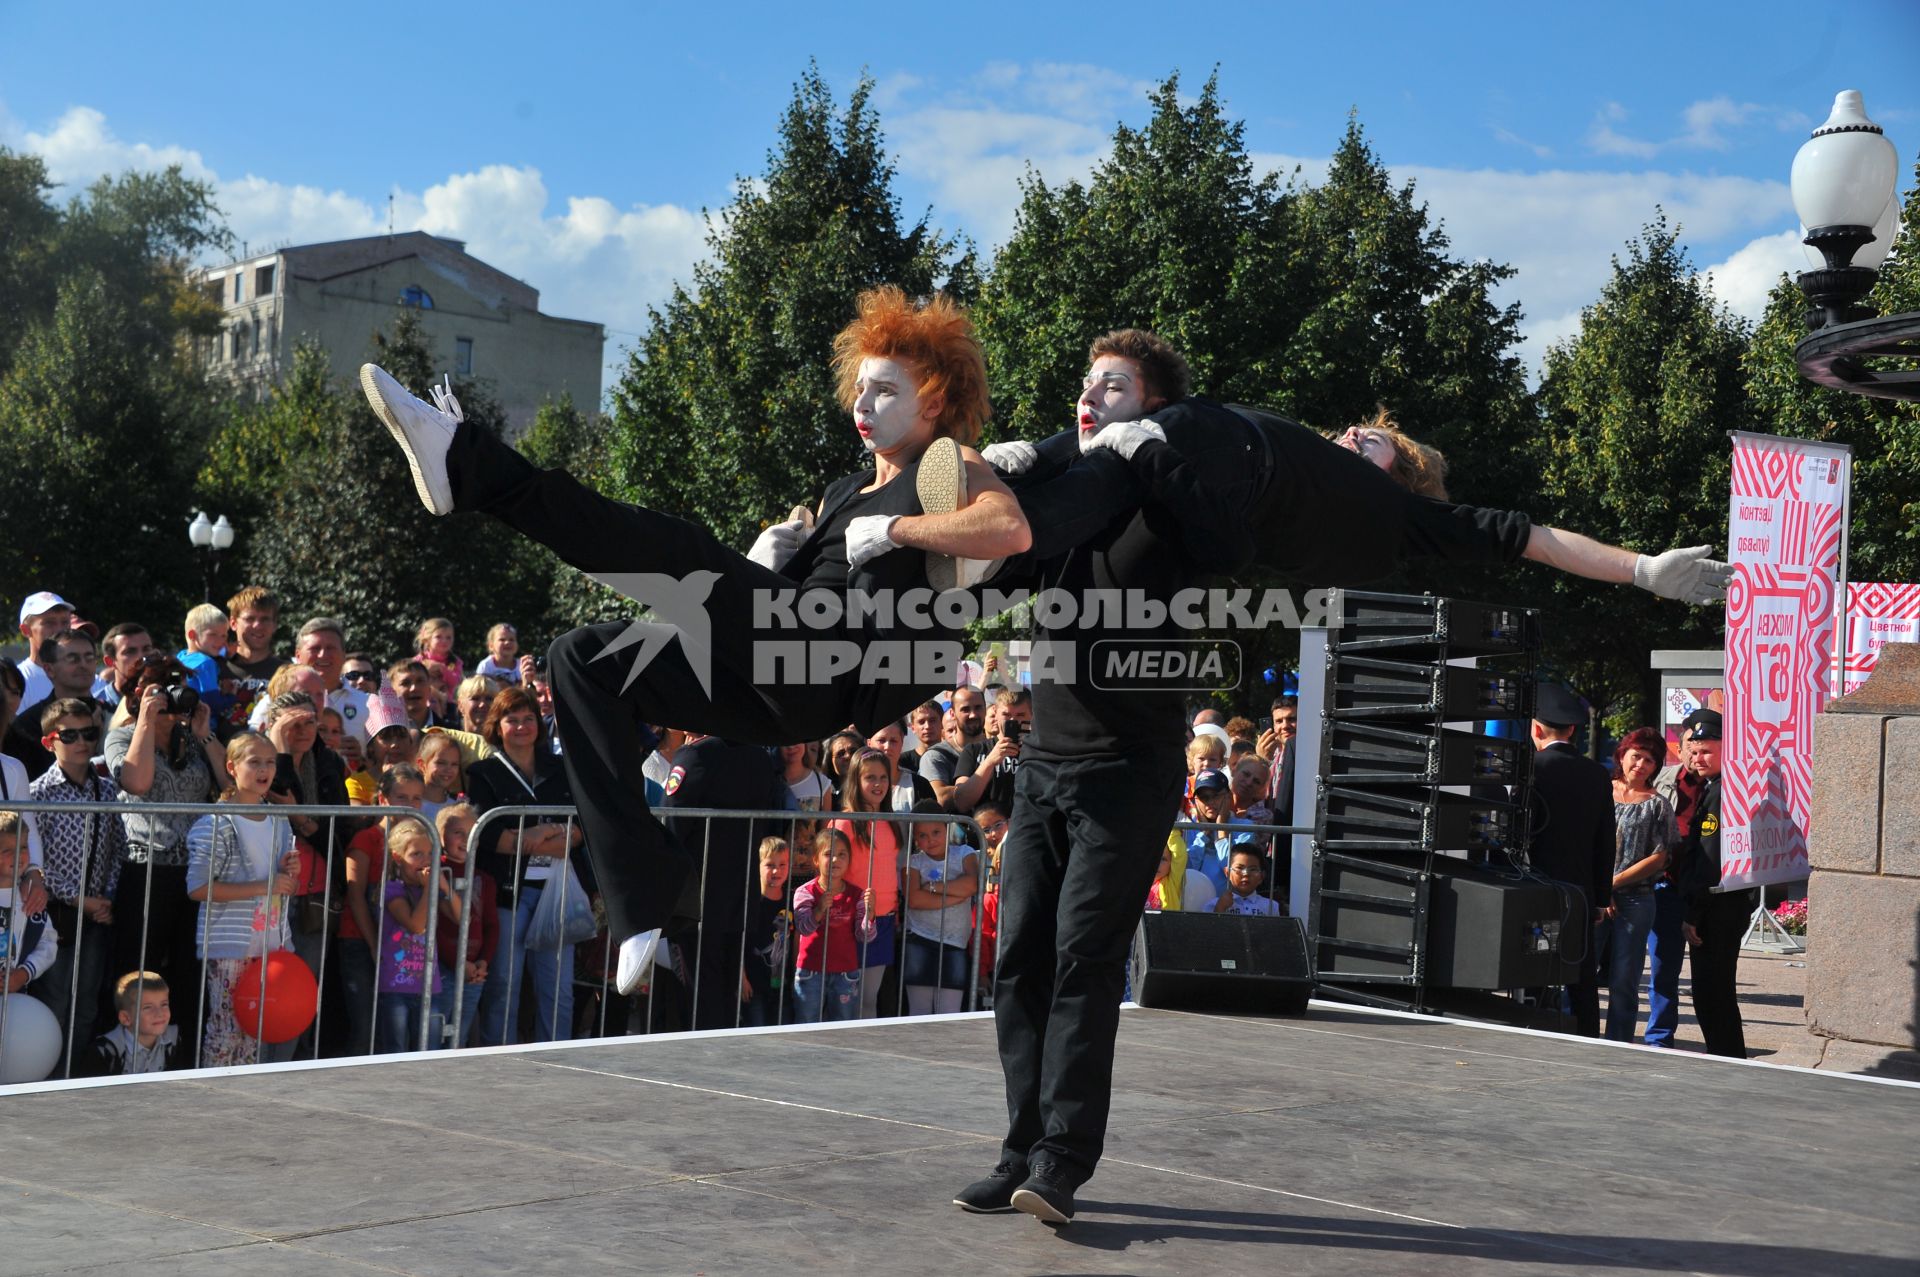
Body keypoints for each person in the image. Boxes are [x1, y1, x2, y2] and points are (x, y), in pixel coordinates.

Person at [359, 285, 1031, 1002]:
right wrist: (770, 561)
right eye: (860, 386)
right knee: (582, 659)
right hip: (771, 677)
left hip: (831, 663)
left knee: (677, 549)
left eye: (886, 389)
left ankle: (468, 462)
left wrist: (898, 531)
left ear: (932, 401)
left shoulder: (948, 467)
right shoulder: (843, 491)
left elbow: (1009, 530)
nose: (863, 403)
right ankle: (648, 894)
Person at [982, 328, 1732, 607]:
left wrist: (1641, 570)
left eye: (1372, 441)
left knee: (1142, 433)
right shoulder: (1305, 447)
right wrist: (1043, 451)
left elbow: (1533, 538)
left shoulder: (1406, 515)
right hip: (1192, 486)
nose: (1351, 433)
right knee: (1105, 481)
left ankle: (998, 522)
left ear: (1399, 475)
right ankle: (1003, 496)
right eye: (1356, 429)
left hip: (1225, 470)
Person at [105, 653, 226, 1051]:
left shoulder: (191, 740)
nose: (174, 699)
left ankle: (184, 1054)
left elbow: (230, 788)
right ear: (139, 692)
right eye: (163, 687)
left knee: (190, 974)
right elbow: (136, 782)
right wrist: (144, 718)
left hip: (194, 872)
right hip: (146, 870)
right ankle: (128, 1057)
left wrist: (205, 733)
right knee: (138, 971)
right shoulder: (122, 736)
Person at [466, 687, 587, 1045]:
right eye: (511, 719)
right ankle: (498, 1057)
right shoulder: (483, 772)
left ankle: (560, 1058)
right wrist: (540, 837)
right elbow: (488, 834)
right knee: (505, 983)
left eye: (528, 719)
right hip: (508, 895)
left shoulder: (563, 769)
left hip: (556, 891)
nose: (521, 726)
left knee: (558, 987)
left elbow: (579, 831)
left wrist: (542, 834)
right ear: (497, 726)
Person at [184, 731, 301, 1068]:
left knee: (254, 1031)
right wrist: (265, 885)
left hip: (271, 943)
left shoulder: (279, 821)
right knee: (225, 1031)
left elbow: (280, 883)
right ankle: (214, 1094)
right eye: (255, 762)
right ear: (232, 767)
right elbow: (198, 888)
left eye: (269, 762)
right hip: (231, 945)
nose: (264, 770)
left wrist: (288, 871)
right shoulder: (216, 823)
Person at [657, 733, 789, 1031]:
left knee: (697, 995)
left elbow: (670, 827)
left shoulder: (694, 757)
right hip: (741, 896)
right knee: (728, 994)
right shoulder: (758, 757)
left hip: (698, 899)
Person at [27, 697, 125, 1056]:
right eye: (70, 735)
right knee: (54, 998)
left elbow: (118, 849)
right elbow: (35, 862)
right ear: (48, 741)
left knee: (86, 1002)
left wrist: (105, 900)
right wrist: (76, 898)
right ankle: (48, 1071)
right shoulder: (38, 794)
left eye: (89, 733)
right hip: (55, 915)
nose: (82, 742)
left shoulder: (108, 791)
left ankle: (77, 1070)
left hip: (97, 916)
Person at [1526, 684, 1616, 1038]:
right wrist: (1601, 898)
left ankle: (1535, 1026)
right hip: (1580, 892)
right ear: (1574, 729)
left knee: (1535, 963)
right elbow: (1605, 840)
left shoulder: (1530, 769)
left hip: (1534, 887)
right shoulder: (1596, 774)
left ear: (1536, 729)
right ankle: (1588, 1036)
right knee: (1581, 973)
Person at [1667, 708, 1752, 1058]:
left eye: (1707, 751)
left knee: (1711, 993)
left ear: (1725, 750)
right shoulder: (1721, 786)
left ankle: (1727, 1059)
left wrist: (1693, 914)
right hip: (1727, 904)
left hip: (1715, 908)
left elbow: (1708, 859)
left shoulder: (1719, 792)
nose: (1698, 758)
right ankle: (1728, 1056)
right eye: (1695, 750)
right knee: (1716, 992)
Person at [338, 766, 429, 1055]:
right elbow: (356, 897)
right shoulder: (366, 839)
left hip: (400, 946)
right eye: (402, 797)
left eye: (416, 798)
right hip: (360, 940)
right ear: (383, 799)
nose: (410, 805)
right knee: (366, 1025)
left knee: (394, 1029)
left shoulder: (421, 841)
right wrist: (375, 946)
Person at [1606, 727, 1675, 1044]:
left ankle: (1618, 1042)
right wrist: (1600, 888)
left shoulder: (1657, 804)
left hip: (1636, 900)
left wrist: (1615, 882)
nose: (1642, 765)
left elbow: (1661, 857)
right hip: (1595, 897)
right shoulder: (1600, 792)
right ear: (1622, 755)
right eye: (1637, 756)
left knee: (1625, 977)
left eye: (1650, 760)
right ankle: (1578, 1035)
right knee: (1581, 970)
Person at [832, 748, 907, 1019]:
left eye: (883, 777)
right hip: (850, 920)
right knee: (846, 1000)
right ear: (855, 780)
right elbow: (832, 871)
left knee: (868, 1000)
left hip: (884, 920)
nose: (878, 784)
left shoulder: (891, 820)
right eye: (870, 778)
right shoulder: (845, 822)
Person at [375, 819, 456, 1053]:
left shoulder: (426, 889)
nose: (425, 860)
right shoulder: (392, 889)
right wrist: (430, 889)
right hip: (396, 985)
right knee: (396, 1049)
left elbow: (462, 917)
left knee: (427, 1048)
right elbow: (416, 925)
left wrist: (443, 887)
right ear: (398, 858)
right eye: (417, 854)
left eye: (430, 853)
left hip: (429, 984)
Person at [790, 827, 874, 1024]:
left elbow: (865, 937)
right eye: (829, 854)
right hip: (810, 972)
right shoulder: (805, 891)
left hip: (846, 974)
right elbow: (803, 928)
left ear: (849, 860)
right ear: (816, 860)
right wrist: (818, 910)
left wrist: (870, 916)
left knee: (843, 1027)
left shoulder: (857, 894)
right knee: (806, 1024)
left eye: (842, 854)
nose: (835, 860)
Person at [903, 799, 978, 1015]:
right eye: (923, 835)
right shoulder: (913, 861)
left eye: (936, 832)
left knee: (950, 1011)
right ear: (915, 839)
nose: (930, 840)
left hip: (955, 942)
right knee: (919, 1011)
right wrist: (955, 896)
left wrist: (935, 887)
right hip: (920, 939)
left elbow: (972, 884)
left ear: (947, 828)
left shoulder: (965, 852)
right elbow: (915, 899)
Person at [434, 802, 494, 1048]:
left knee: (459, 1034)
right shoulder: (436, 874)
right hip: (443, 970)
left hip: (473, 973)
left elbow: (492, 925)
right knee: (435, 1033)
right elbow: (434, 928)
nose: (466, 839)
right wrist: (458, 964)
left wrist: (483, 963)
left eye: (473, 834)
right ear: (440, 836)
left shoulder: (485, 879)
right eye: (458, 832)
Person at [74, 971, 187, 1076]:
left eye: (164, 1004)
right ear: (125, 1018)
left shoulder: (174, 1040)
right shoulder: (105, 1052)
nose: (159, 1013)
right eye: (148, 1007)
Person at [1, 810, 58, 999]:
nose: (18, 855)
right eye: (7, 850)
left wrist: (24, 973)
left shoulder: (31, 900)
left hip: (15, 1001)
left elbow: (48, 944)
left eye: (23, 847)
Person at [740, 836, 793, 1028]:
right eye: (770, 865)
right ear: (759, 866)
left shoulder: (791, 901)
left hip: (782, 988)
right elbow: (741, 942)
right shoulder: (752, 903)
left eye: (782, 864)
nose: (777, 871)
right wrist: (742, 978)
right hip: (755, 986)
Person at [292, 619, 370, 744]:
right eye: (315, 648)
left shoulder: (368, 705)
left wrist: (362, 761)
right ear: (298, 656)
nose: (323, 655)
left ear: (344, 655)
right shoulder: (275, 700)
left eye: (330, 648)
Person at [14, 590, 76, 715]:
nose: (59, 629)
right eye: (49, 623)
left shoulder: (89, 678)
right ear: (26, 630)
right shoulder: (16, 682)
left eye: (65, 622)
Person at [224, 586, 288, 702]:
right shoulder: (214, 669)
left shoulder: (288, 674)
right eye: (250, 619)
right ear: (233, 623)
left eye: (265, 619)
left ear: (274, 625)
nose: (257, 626)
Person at [1146, 843, 1216, 914]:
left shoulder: (1171, 883)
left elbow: (1178, 853)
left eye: (1163, 859)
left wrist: (1173, 833)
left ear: (1172, 863)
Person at [1215, 846, 1281, 916]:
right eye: (1239, 868)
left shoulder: (1271, 906)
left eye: (1253, 869)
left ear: (1261, 876)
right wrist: (1220, 908)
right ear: (1227, 873)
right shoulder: (1214, 904)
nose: (1246, 873)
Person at [414, 618, 465, 698]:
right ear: (427, 639)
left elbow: (457, 683)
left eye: (448, 637)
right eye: (438, 637)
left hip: (448, 703)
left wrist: (442, 668)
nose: (444, 641)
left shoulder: (454, 661)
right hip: (423, 701)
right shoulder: (418, 660)